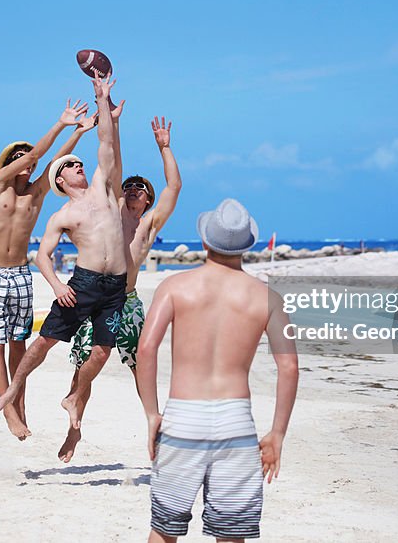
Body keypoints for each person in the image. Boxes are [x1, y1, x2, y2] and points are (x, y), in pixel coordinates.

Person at [136, 199, 299, 542]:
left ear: (205, 241)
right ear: (246, 245)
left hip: (183, 415)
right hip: (236, 422)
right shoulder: (268, 298)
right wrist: (277, 433)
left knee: (164, 531)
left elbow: (146, 349)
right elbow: (289, 366)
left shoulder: (175, 287)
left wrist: (152, 414)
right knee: (231, 533)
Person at [0, 73, 127, 432]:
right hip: (82, 284)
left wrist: (103, 102)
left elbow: (106, 147)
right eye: (70, 166)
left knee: (101, 351)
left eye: (78, 163)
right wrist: (57, 286)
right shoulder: (61, 214)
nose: (78, 166)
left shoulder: (103, 190)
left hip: (116, 286)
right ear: (60, 182)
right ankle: (13, 391)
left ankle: (73, 398)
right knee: (44, 341)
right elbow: (43, 256)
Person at [59, 115, 182, 462]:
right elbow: (112, 158)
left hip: (126, 302)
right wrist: (113, 121)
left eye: (140, 188)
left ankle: (153, 425)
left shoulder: (149, 225)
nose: (132, 189)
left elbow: (173, 188)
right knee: (84, 364)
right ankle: (74, 426)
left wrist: (165, 147)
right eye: (129, 185)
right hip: (99, 297)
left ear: (147, 200)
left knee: (141, 363)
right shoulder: (110, 212)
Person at [0, 99, 95, 440]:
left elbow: (55, 164)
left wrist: (79, 133)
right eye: (18, 159)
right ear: (8, 164)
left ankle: (18, 402)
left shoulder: (35, 195)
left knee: (19, 344)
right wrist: (61, 124)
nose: (25, 164)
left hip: (19, 275)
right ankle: (9, 411)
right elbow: (33, 158)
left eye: (26, 160)